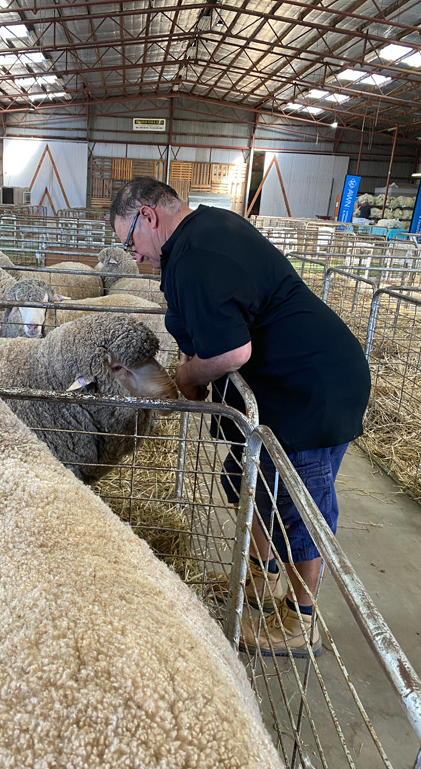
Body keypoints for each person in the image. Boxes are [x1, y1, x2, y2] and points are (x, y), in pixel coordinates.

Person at [109, 177, 371, 658]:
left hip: (310, 389)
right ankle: (264, 577)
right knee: (244, 476)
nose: (137, 258)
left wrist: (188, 373)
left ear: (147, 216)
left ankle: (301, 618)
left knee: (297, 499)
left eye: (131, 243)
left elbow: (232, 349)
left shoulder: (195, 255)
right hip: (283, 384)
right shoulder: (203, 232)